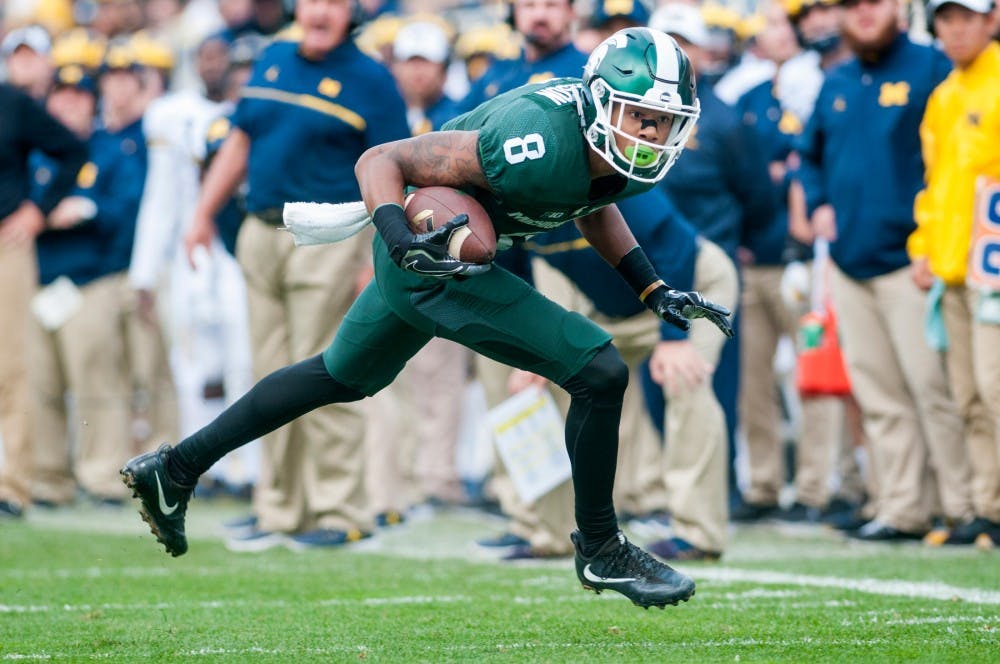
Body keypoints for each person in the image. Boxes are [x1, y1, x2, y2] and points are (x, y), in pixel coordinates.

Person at [122, 26, 732, 609]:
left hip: (431, 262)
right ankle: (601, 547)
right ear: (601, 102)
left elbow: (593, 203)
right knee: (598, 369)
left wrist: (651, 287)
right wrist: (397, 240)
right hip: (430, 253)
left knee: (338, 375)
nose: (653, 133)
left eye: (665, 121)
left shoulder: (611, 149)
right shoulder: (536, 138)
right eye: (641, 117)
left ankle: (174, 469)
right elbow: (379, 160)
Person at [179, 0, 409, 552]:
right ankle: (280, 507)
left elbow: (398, 167)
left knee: (323, 370)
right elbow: (240, 139)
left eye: (334, 2)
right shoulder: (273, 57)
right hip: (260, 231)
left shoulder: (371, 79)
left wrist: (377, 256)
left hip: (329, 235)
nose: (320, 11)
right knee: (268, 373)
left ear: (352, 11)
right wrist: (202, 214)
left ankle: (342, 508)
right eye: (312, 0)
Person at [796, 0, 971, 540]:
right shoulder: (837, 79)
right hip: (851, 261)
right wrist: (819, 200)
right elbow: (809, 154)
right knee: (878, 396)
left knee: (933, 389)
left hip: (911, 261)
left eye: (874, 1)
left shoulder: (933, 66)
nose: (863, 13)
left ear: (898, 7)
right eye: (851, 4)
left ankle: (965, 507)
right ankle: (902, 508)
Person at [908, 0, 1000, 545]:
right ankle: (987, 508)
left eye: (966, 15)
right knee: (967, 394)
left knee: (993, 389)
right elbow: (935, 183)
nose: (956, 28)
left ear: (991, 17)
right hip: (955, 269)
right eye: (946, 18)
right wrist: (924, 246)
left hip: (992, 268)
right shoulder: (944, 95)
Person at [0, 82, 87, 519]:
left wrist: (37, 209)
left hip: (6, 242)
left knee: (11, 365)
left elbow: (72, 150)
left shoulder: (11, 101)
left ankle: (13, 487)